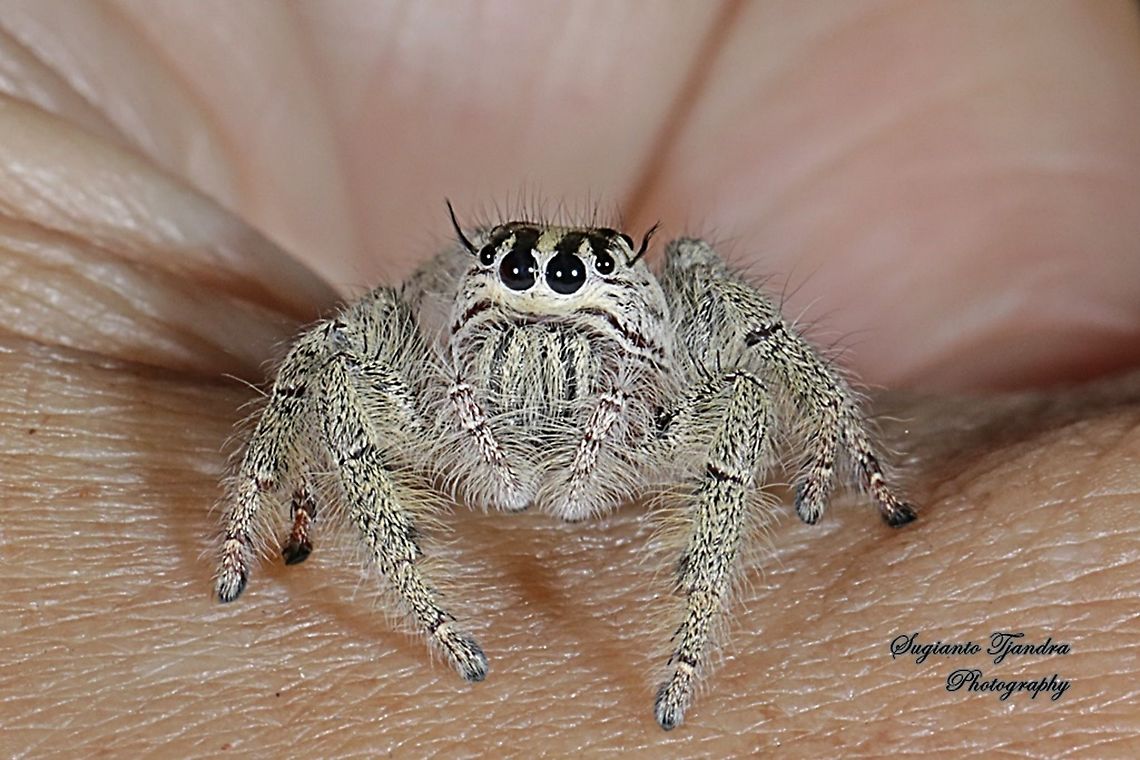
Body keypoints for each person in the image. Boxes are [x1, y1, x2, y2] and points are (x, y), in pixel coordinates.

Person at [1, 2, 1137, 754]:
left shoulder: (680, 370)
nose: (542, 321)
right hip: (429, 430)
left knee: (743, 366)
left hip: (650, 443)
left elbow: (764, 360)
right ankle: (417, 607)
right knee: (323, 361)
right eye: (506, 285)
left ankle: (699, 630)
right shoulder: (406, 356)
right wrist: (284, 506)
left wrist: (855, 466)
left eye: (580, 287)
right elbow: (331, 355)